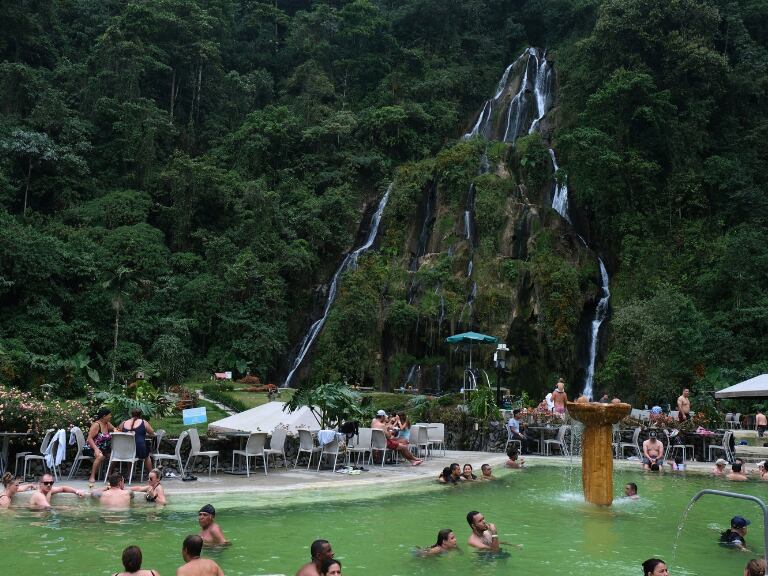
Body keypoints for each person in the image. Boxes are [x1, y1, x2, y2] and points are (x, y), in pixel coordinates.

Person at [119, 408, 156, 475]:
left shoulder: (124, 423)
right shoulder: (143, 422)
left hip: (125, 450)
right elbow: (152, 433)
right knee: (147, 456)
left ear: (131, 414)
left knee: (130, 453)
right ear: (140, 414)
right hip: (140, 450)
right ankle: (151, 474)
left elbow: (118, 433)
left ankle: (129, 474)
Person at [87, 407, 117, 484]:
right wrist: (96, 449)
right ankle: (92, 476)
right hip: (91, 447)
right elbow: (89, 439)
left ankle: (108, 474)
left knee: (115, 456)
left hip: (103, 448)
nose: (110, 416)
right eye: (109, 415)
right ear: (104, 416)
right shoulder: (96, 425)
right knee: (100, 456)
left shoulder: (107, 424)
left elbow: (114, 429)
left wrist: (115, 430)